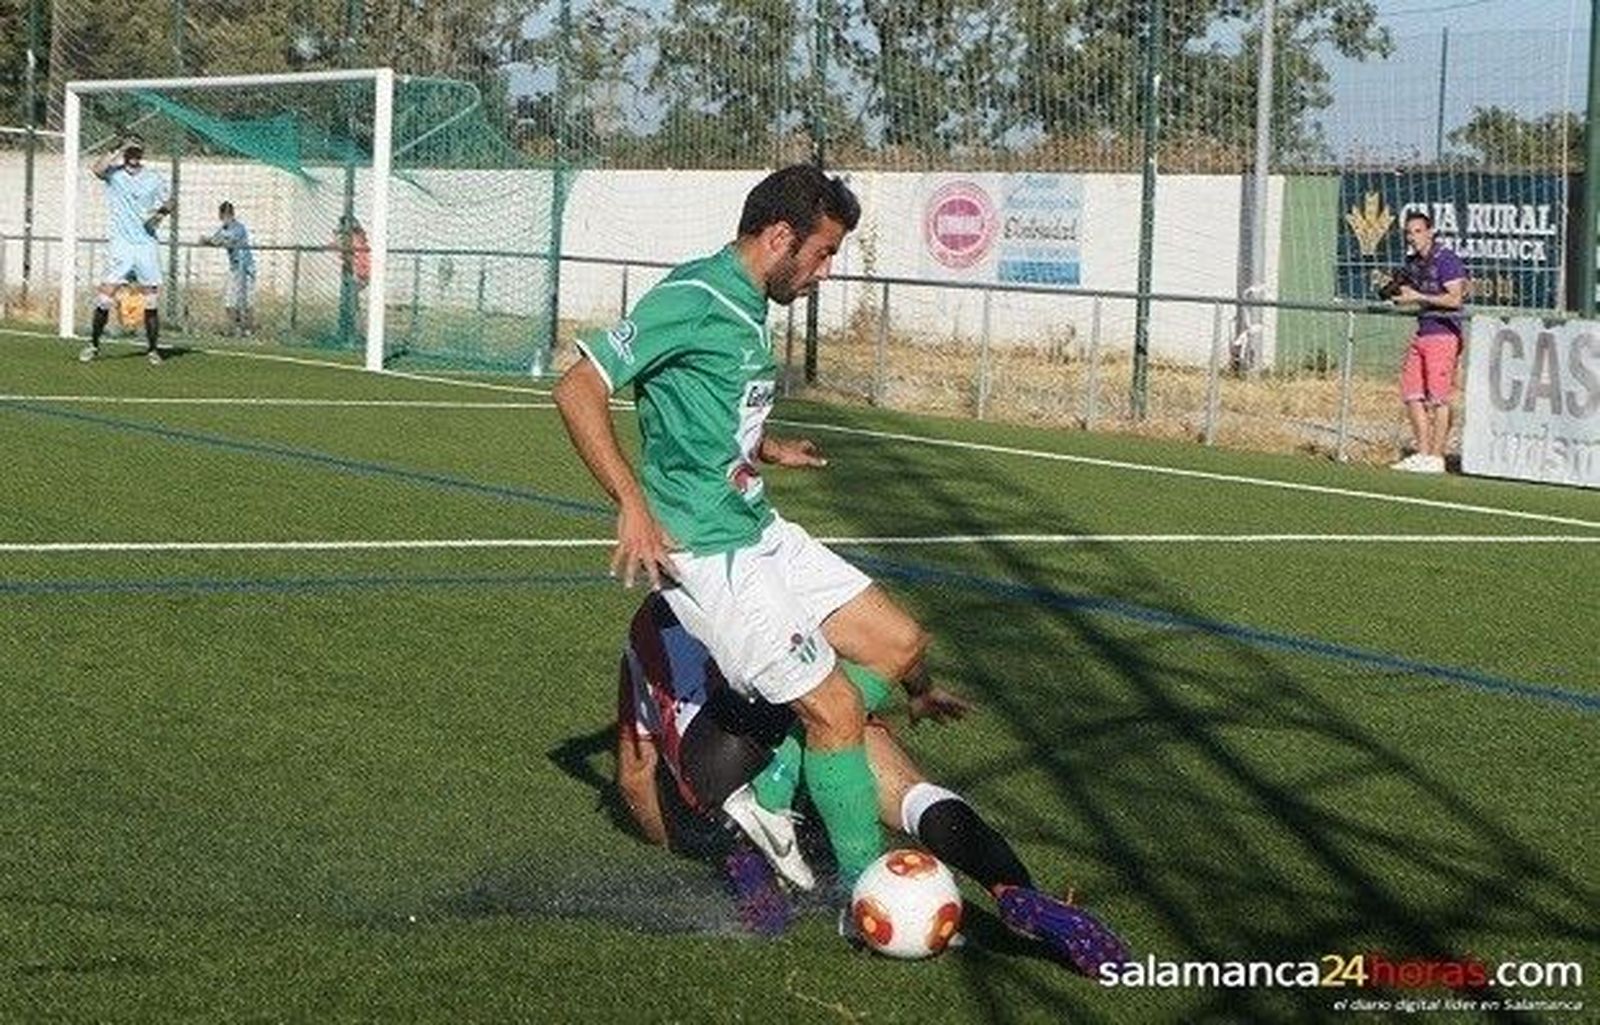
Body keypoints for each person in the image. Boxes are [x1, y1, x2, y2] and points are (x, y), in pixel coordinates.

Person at [553, 165, 967, 892]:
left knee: (899, 643)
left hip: (757, 527)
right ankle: (864, 894)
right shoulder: (694, 297)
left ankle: (771, 791)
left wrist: (767, 447)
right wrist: (632, 501)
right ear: (780, 237)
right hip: (710, 551)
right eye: (824, 252)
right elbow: (577, 387)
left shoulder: (747, 303)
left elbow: (704, 408)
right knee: (836, 708)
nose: (826, 271)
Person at [614, 593, 1131, 974]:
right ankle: (1011, 887)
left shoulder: (641, 637)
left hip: (718, 768)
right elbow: (880, 635)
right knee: (903, 785)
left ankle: (742, 857)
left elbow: (634, 778)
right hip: (795, 713)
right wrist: (920, 690)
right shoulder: (760, 570)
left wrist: (680, 840)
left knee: (716, 802)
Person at [79, 140, 172, 365]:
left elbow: (170, 201)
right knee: (105, 297)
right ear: (125, 153)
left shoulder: (153, 178)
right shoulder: (115, 174)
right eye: (130, 151)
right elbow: (97, 169)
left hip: (146, 244)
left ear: (142, 153)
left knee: (151, 299)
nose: (133, 156)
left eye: (137, 151)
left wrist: (159, 215)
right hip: (121, 245)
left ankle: (153, 350)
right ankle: (93, 345)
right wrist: (118, 148)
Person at [1388, 211, 1467, 474]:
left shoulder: (1446, 259)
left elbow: (1455, 299)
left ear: (1430, 232)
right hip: (1422, 332)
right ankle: (1422, 453)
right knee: (1411, 393)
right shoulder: (1413, 263)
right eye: (1409, 233)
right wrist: (1398, 293)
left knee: (1439, 399)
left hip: (1443, 335)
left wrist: (1418, 296)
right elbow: (1410, 293)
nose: (1413, 237)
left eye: (1418, 231)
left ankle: (1436, 456)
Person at [199, 201, 255, 336]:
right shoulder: (223, 229)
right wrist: (206, 240)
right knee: (230, 301)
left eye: (226, 216)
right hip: (235, 268)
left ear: (231, 215)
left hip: (246, 268)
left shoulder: (239, 228)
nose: (223, 219)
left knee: (245, 301)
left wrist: (214, 241)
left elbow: (229, 241)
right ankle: (234, 328)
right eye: (222, 216)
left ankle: (247, 329)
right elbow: (214, 240)